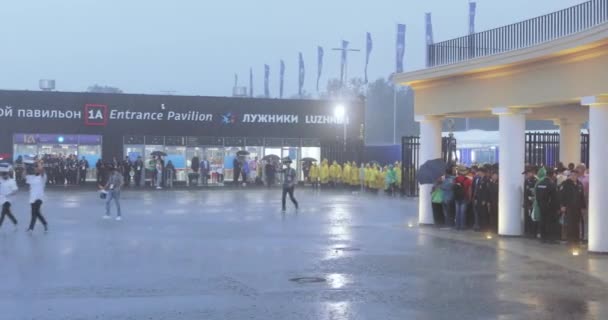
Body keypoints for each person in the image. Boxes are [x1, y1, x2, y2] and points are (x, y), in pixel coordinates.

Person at [559, 170, 586, 245]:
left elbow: (582, 196)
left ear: (577, 176)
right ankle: (570, 240)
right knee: (570, 224)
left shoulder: (579, 184)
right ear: (570, 175)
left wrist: (583, 207)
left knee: (576, 223)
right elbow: (562, 195)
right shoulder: (565, 184)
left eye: (575, 175)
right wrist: (562, 205)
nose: (573, 176)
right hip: (569, 207)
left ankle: (576, 239)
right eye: (572, 175)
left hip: (577, 207)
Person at [535, 167, 560, 243]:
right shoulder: (552, 185)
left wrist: (540, 204)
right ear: (552, 175)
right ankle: (551, 238)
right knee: (551, 223)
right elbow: (555, 198)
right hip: (550, 208)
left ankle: (543, 237)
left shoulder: (539, 184)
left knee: (542, 221)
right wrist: (557, 208)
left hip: (541, 206)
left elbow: (537, 196)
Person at [26, 161, 48, 233]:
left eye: (37, 169)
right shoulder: (31, 177)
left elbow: (42, 172)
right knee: (37, 213)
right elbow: (23, 176)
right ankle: (45, 223)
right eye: (35, 169)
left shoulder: (43, 177)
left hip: (39, 197)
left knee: (34, 213)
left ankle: (31, 228)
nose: (36, 170)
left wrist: (39, 165)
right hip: (32, 198)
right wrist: (25, 167)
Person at [0, 165, 18, 230]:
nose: (4, 176)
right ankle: (15, 221)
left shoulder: (12, 181)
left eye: (5, 175)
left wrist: (9, 194)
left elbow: (15, 190)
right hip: (2, 199)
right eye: (3, 175)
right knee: (7, 212)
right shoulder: (0, 180)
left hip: (9, 199)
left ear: (8, 175)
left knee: (3, 212)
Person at [523, 166, 538, 238]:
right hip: (527, 202)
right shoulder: (526, 181)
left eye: (527, 174)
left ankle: (534, 232)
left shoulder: (536, 181)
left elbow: (535, 193)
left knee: (533, 217)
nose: (526, 175)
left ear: (531, 173)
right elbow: (525, 193)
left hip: (533, 202)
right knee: (528, 217)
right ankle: (529, 231)